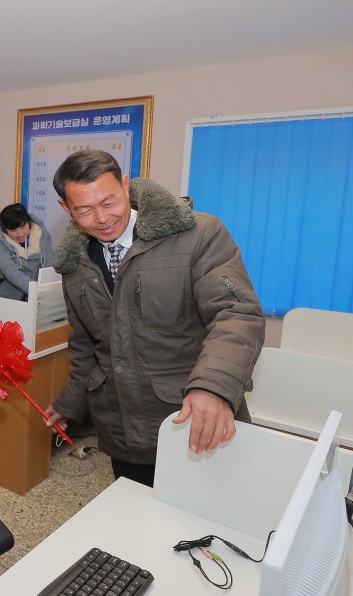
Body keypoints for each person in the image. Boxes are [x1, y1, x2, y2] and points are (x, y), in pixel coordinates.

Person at [43, 150, 265, 487]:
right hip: (122, 429)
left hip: (191, 419)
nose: (101, 218)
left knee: (208, 524)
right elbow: (87, 343)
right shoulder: (74, 265)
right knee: (141, 523)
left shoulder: (197, 235)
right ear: (66, 209)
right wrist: (69, 403)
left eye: (109, 201)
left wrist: (214, 388)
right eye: (84, 210)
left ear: (126, 186)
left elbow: (236, 313)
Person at [0, 202, 54, 301]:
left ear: (29, 223)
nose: (20, 234)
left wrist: (47, 288)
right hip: (3, 293)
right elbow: (11, 273)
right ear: (5, 229)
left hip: (35, 294)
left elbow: (49, 263)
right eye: (13, 231)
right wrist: (35, 289)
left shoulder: (42, 235)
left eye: (23, 228)